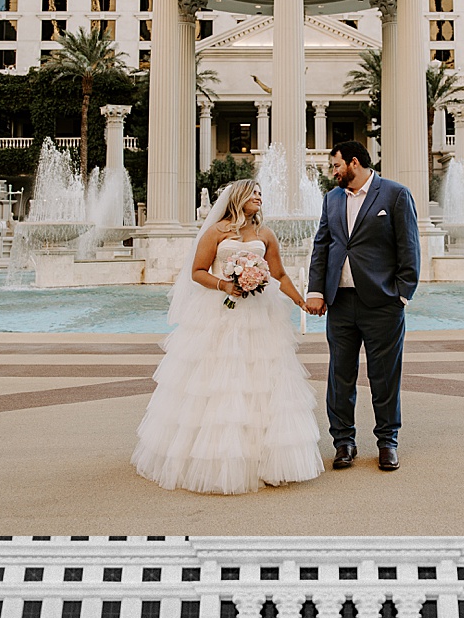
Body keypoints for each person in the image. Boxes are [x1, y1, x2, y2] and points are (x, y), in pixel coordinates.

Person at [132, 178, 324, 494]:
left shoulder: (265, 234)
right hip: (222, 313)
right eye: (254, 193)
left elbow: (278, 274)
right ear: (238, 197)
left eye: (262, 193)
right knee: (219, 380)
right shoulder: (217, 232)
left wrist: (301, 299)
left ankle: (263, 458)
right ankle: (215, 458)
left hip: (259, 317)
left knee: (262, 380)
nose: (260, 197)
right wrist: (226, 284)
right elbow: (197, 271)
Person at [306, 141, 420, 473]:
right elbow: (322, 246)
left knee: (385, 377)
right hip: (340, 303)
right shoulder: (332, 199)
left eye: (335, 165)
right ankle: (344, 442)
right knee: (339, 376)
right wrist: (316, 290)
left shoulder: (395, 194)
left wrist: (402, 294)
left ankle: (388, 443)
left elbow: (408, 246)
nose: (333, 172)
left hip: (382, 303)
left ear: (354, 163)